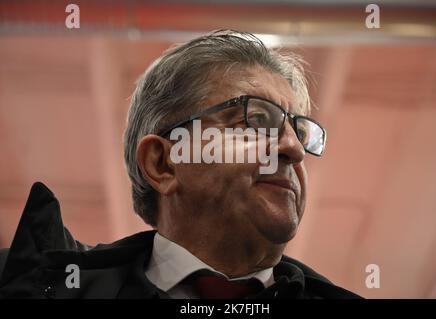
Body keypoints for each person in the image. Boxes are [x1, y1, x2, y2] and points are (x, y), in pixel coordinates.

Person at [0, 30, 361, 299]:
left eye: (299, 131)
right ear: (162, 164)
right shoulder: (36, 287)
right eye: (257, 120)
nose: (294, 149)